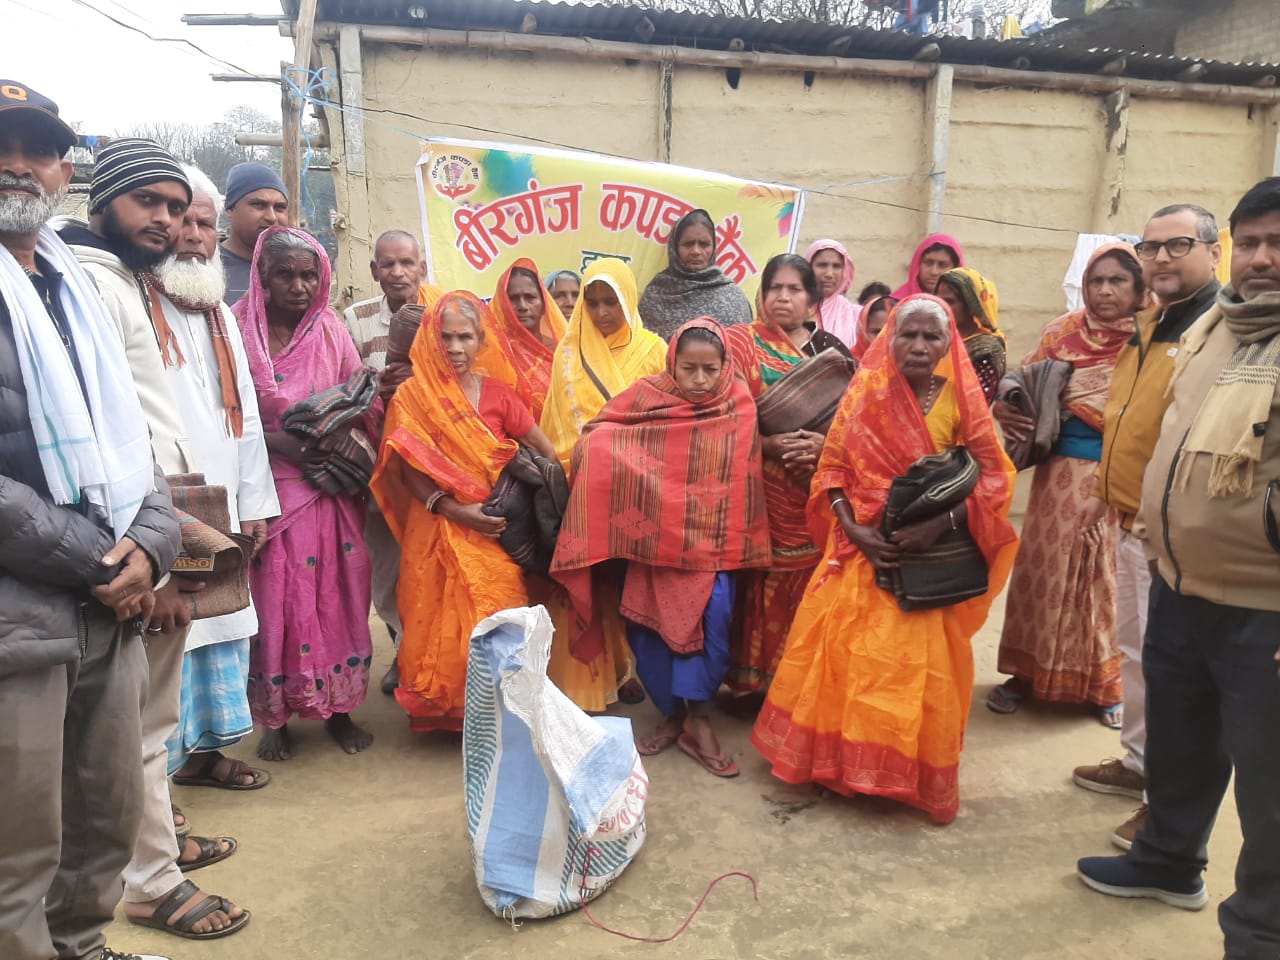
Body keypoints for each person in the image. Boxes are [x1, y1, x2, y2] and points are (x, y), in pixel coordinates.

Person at [0, 80, 181, 960]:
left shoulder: (76, 287)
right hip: (20, 619)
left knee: (104, 817)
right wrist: (101, 563)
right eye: (1, 147)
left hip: (106, 609)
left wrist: (152, 541)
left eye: (37, 149)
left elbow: (132, 440)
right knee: (17, 845)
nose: (16, 165)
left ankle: (82, 947)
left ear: (64, 172)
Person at [1077, 179, 1280, 958]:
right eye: (1250, 242)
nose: (1261, 258)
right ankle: (1167, 860)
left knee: (1270, 789)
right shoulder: (1216, 328)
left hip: (1265, 608)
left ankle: (1259, 935)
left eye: (1277, 243)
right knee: (1182, 746)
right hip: (1181, 583)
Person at [59, 141, 252, 938]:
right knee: (135, 727)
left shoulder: (124, 280)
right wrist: (162, 564)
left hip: (161, 530)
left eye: (177, 207)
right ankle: (150, 883)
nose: (168, 221)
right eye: (150, 203)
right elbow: (119, 436)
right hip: (139, 542)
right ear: (103, 201)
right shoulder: (91, 285)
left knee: (148, 723)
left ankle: (157, 850)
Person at [752, 295, 1019, 823]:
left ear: (948, 344)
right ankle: (838, 765)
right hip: (860, 550)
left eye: (931, 337)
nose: (918, 346)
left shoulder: (960, 400)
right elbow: (832, 470)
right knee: (842, 662)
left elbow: (994, 477)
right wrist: (853, 528)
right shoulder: (865, 393)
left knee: (912, 672)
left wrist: (937, 526)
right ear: (888, 340)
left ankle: (897, 771)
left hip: (926, 560)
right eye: (907, 335)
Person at [551, 318, 770, 776]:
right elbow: (598, 433)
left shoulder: (738, 402)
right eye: (688, 369)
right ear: (673, 364)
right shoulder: (649, 395)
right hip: (653, 545)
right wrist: (634, 481)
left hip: (712, 548)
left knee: (713, 628)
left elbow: (741, 472)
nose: (699, 380)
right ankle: (674, 717)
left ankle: (699, 720)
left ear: (725, 365)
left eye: (710, 369)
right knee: (648, 634)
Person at [1070, 204, 1221, 850]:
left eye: (1177, 245)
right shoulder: (1151, 323)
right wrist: (1110, 494)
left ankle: (1165, 809)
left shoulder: (1222, 329)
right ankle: (1138, 762)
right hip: (1132, 517)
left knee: (1177, 674)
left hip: (1179, 532)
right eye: (1150, 247)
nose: (1161, 258)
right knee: (1136, 652)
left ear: (1213, 251)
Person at [372, 291, 556, 731]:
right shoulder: (411, 397)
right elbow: (407, 472)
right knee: (434, 617)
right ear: (430, 341)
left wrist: (526, 493)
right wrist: (456, 510)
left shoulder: (498, 394)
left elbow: (544, 451)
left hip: (495, 529)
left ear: (481, 341)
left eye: (465, 337)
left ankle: (498, 714)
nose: (455, 347)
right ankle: (449, 714)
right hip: (436, 527)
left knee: (501, 609)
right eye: (446, 337)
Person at [233, 225, 375, 760]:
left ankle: (339, 709)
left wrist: (328, 438)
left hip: (327, 489)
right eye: (285, 275)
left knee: (335, 595)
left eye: (308, 274)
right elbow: (223, 411)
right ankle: (276, 717)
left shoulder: (331, 331)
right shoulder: (235, 330)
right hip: (265, 489)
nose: (298, 286)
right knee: (276, 600)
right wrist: (281, 444)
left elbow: (361, 400)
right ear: (262, 278)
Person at [988, 244, 1145, 727]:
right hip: (1055, 477)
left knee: (1100, 581)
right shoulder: (1061, 333)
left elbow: (1152, 416)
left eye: (1117, 281)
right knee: (1041, 574)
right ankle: (1026, 674)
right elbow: (1022, 380)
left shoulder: (1150, 339)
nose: (1105, 291)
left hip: (1117, 476)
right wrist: (1006, 406)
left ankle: (1105, 686)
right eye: (1096, 281)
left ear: (1138, 288)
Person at [540, 257, 667, 710]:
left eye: (610, 301)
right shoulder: (568, 353)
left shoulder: (654, 350)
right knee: (592, 580)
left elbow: (667, 421)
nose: (600, 312)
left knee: (632, 581)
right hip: (581, 488)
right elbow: (556, 425)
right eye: (591, 303)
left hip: (639, 489)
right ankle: (599, 674)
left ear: (628, 299)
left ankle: (631, 665)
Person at [724, 254, 848, 697]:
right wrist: (770, 445)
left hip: (811, 486)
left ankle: (794, 686)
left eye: (794, 289)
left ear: (812, 299)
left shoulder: (831, 350)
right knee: (758, 582)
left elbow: (851, 419)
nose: (782, 297)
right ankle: (751, 683)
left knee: (805, 580)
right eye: (775, 287)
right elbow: (726, 416)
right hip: (757, 480)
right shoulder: (740, 343)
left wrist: (822, 448)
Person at [341, 229, 443, 697]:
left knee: (431, 568)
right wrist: (378, 391)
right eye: (388, 264)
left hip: (437, 468)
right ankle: (404, 649)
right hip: (381, 469)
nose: (398, 272)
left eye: (406, 263)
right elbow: (345, 389)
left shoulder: (445, 312)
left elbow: (468, 374)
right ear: (374, 270)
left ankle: (426, 658)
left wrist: (420, 380)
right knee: (386, 572)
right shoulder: (355, 319)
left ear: (422, 267)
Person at [637, 208, 753, 339]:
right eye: (688, 244)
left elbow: (743, 346)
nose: (696, 251)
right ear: (674, 247)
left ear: (714, 247)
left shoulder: (733, 299)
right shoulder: (656, 295)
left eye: (704, 244)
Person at [491, 257, 567, 419]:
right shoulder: (494, 353)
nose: (523, 306)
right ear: (502, 304)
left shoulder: (562, 348)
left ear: (544, 304)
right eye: (513, 298)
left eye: (530, 297)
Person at [220, 161, 288, 306]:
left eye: (279, 208)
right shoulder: (207, 267)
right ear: (230, 209)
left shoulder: (297, 268)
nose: (272, 217)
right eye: (259, 205)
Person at [935, 266, 1006, 402]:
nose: (941, 307)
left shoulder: (985, 350)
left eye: (950, 301)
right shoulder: (936, 338)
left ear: (971, 305)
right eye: (939, 300)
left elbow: (977, 401)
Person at [806, 238, 860, 349]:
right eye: (822, 265)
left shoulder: (857, 316)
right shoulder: (795, 310)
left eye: (836, 266)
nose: (829, 274)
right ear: (808, 267)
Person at [892, 233, 964, 300]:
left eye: (942, 265)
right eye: (928, 263)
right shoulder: (894, 304)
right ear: (917, 264)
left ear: (955, 269)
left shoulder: (963, 306)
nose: (934, 272)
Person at [851, 293, 897, 361]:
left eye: (893, 333)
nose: (884, 339)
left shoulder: (908, 365)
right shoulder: (845, 364)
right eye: (877, 332)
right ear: (862, 332)